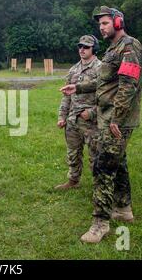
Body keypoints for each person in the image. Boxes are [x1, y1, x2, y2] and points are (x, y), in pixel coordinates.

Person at [61, 6, 142, 243]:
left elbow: (128, 85)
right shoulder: (113, 49)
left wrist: (117, 118)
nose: (102, 27)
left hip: (117, 120)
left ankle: (100, 223)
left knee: (103, 166)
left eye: (106, 23)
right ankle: (124, 209)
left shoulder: (129, 46)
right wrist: (77, 87)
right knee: (119, 163)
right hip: (111, 116)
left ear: (118, 22)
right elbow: (103, 80)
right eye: (100, 24)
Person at [55, 35, 102, 190]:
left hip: (92, 122)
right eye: (80, 46)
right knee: (73, 153)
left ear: (94, 49)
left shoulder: (101, 68)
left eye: (86, 47)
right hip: (73, 120)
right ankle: (73, 180)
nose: (82, 49)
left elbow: (108, 97)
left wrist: (93, 113)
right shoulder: (73, 69)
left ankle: (99, 186)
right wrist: (62, 116)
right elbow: (66, 96)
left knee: (96, 156)